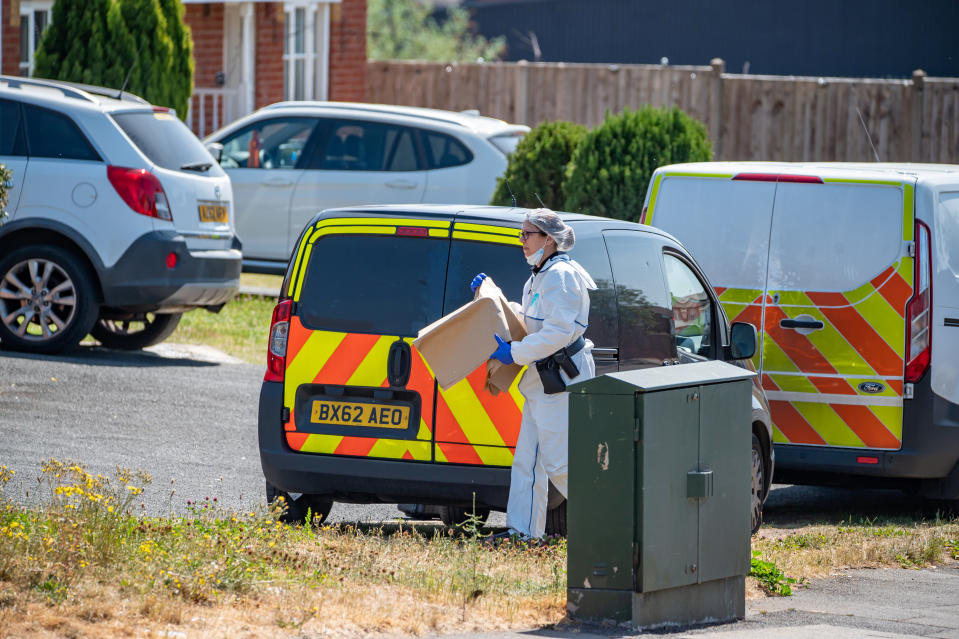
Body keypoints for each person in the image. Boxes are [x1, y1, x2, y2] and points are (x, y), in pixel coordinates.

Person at [470, 209, 597, 539]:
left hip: (560, 380)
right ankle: (522, 534)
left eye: (528, 234)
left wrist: (513, 353)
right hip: (542, 380)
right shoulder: (540, 275)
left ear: (550, 240)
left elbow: (557, 332)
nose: (522, 240)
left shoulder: (562, 276)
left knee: (559, 465)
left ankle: (609, 527)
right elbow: (532, 321)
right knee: (528, 460)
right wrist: (491, 296)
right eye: (522, 234)